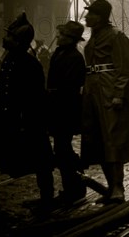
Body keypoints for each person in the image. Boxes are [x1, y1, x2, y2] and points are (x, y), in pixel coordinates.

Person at [0, 13, 55, 212]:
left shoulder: (30, 64)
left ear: (18, 41)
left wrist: (28, 121)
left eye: (9, 36)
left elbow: (37, 98)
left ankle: (47, 200)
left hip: (29, 122)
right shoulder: (9, 60)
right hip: (8, 119)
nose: (5, 39)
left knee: (42, 161)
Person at [82, 0, 129, 204]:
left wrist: (118, 94)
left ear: (101, 17)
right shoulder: (93, 38)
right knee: (97, 140)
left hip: (109, 92)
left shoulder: (116, 37)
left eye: (91, 14)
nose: (87, 17)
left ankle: (118, 188)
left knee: (113, 138)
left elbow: (124, 68)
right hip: (92, 92)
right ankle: (110, 187)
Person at [47, 21, 87, 205]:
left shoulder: (74, 57)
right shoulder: (59, 53)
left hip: (66, 108)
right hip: (57, 108)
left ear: (70, 39)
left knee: (62, 148)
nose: (58, 37)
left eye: (62, 35)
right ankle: (73, 186)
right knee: (61, 148)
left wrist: (54, 96)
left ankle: (75, 187)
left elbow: (69, 87)